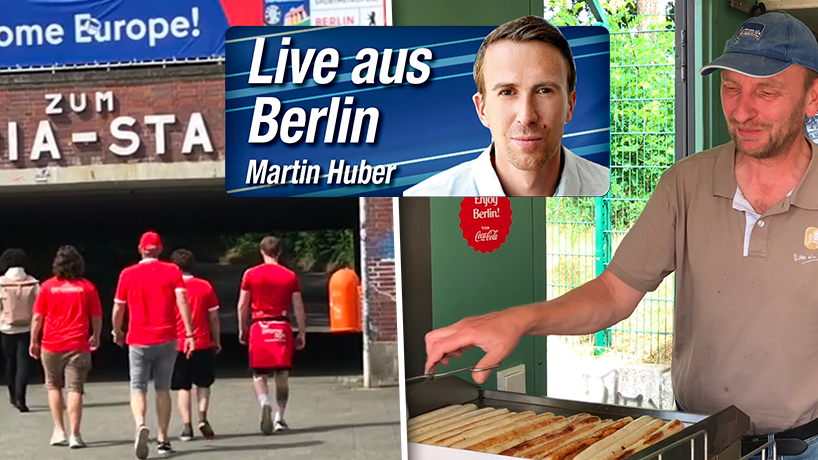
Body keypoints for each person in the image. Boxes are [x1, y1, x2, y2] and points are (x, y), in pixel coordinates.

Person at [424, 11, 818, 459]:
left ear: (813, 97)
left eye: (766, 91)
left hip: (806, 445)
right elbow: (614, 291)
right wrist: (520, 319)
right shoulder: (686, 184)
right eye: (731, 88)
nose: (742, 110)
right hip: (701, 439)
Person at [403, 15, 609, 197]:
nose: (526, 116)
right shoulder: (424, 196)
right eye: (507, 92)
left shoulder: (607, 188)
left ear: (570, 105)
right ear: (482, 109)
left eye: (544, 90)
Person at [112, 231, 196, 459]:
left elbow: (119, 307)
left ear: (140, 248)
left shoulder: (128, 274)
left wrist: (116, 330)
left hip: (138, 338)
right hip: (167, 338)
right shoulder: (172, 271)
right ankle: (163, 439)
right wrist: (189, 332)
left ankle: (140, 424)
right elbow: (182, 300)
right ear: (160, 249)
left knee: (138, 386)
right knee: (162, 389)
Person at [29, 245, 102, 448]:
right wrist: (95, 335)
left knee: (53, 386)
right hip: (78, 343)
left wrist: (34, 340)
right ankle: (75, 435)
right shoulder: (87, 287)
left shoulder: (47, 287)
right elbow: (96, 316)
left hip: (51, 343)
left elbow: (37, 317)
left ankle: (59, 430)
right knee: (75, 389)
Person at [237, 236, 306, 435]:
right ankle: (279, 417)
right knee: (282, 375)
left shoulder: (250, 274)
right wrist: (301, 331)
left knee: (259, 374)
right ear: (280, 252)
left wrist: (243, 328)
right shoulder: (290, 276)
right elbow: (298, 306)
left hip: (259, 326)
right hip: (281, 327)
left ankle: (264, 402)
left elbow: (243, 305)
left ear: (262, 251)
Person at [169, 249, 221, 442]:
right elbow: (214, 317)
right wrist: (216, 340)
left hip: (178, 344)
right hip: (202, 342)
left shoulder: (170, 288)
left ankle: (186, 426)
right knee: (204, 384)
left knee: (183, 387)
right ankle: (202, 417)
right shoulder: (205, 286)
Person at [0, 248, 39, 413]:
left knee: (10, 362)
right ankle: (21, 398)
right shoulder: (33, 282)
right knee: (24, 362)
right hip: (28, 327)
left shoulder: (1, 282)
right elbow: (40, 307)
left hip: (6, 327)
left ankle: (12, 395)